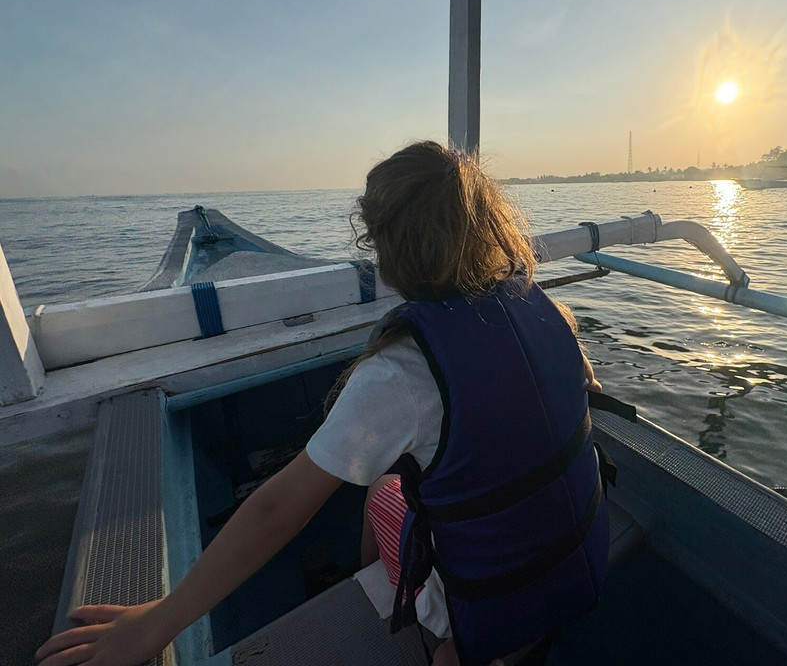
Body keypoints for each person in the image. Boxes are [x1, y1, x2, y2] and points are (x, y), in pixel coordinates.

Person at [37, 141, 609, 666]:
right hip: (577, 567)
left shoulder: (401, 373)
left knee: (382, 491)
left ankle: (406, 616)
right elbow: (578, 401)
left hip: (488, 609)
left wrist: (152, 626)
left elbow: (277, 511)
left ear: (384, 245)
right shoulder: (549, 312)